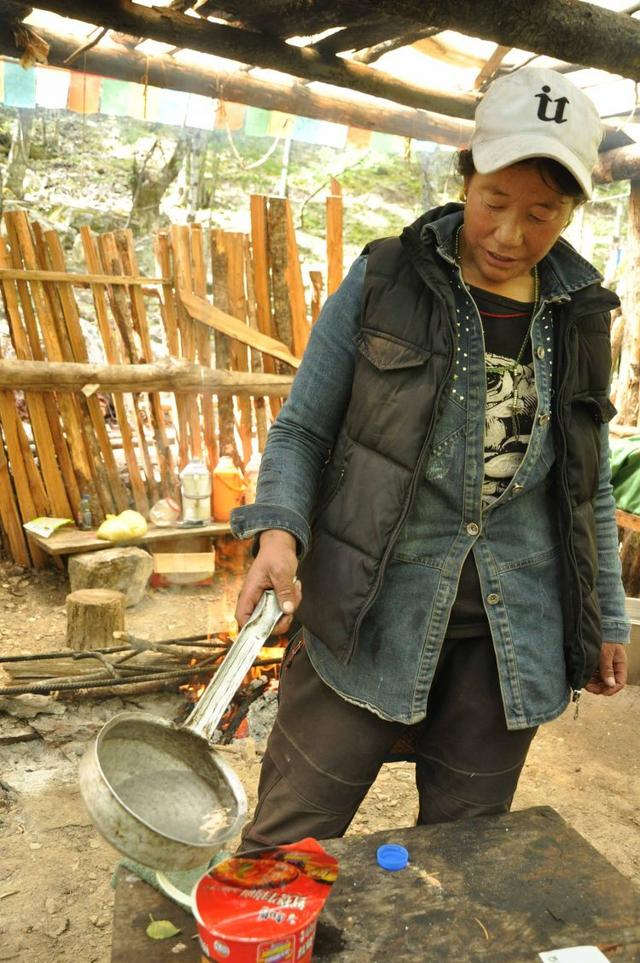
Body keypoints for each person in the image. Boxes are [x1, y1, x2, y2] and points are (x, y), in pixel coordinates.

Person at [230, 68, 630, 850]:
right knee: (287, 838)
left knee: (463, 856)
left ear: (573, 210)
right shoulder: (385, 280)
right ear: (468, 173)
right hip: (369, 610)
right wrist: (277, 533)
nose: (511, 235)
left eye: (542, 213)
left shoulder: (580, 317)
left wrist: (607, 616)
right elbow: (304, 429)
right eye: (495, 203)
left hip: (511, 638)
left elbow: (588, 491)